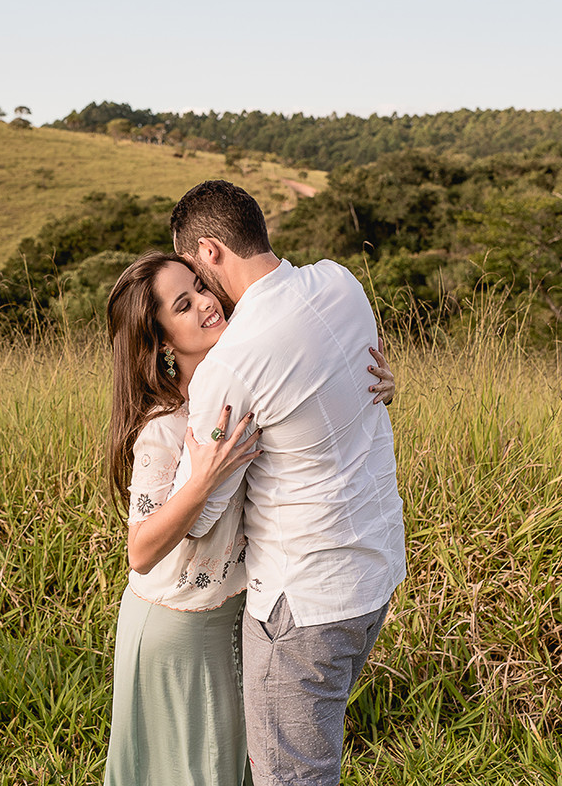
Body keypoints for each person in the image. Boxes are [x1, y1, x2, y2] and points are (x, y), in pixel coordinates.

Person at [103, 250, 395, 786]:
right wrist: (202, 481)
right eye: (184, 305)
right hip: (177, 628)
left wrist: (370, 388)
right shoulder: (165, 430)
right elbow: (140, 551)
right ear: (162, 341)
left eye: (201, 287)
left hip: (237, 615)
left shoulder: (243, 384)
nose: (208, 304)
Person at [169, 180, 406, 786]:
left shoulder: (231, 363)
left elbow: (196, 518)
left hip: (302, 601)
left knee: (291, 777)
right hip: (374, 572)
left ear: (209, 250)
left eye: (195, 275)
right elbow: (359, 381)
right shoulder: (341, 283)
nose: (201, 295)